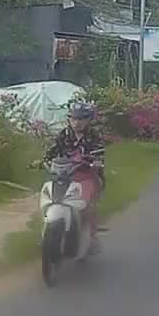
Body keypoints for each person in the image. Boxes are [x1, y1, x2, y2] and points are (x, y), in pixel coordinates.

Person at [44, 102, 106, 253]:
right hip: (64, 175)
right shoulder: (64, 134)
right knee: (51, 199)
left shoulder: (95, 136)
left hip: (87, 175)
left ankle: (92, 238)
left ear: (89, 120)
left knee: (88, 206)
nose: (77, 123)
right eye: (73, 119)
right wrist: (43, 160)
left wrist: (96, 162)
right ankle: (46, 233)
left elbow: (99, 155)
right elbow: (52, 151)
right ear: (69, 119)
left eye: (81, 119)